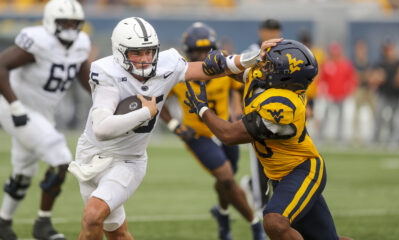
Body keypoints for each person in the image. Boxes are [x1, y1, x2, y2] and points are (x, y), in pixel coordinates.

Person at [67, 17, 281, 239]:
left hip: (128, 159)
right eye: (136, 53)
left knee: (93, 216)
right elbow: (101, 129)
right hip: (91, 156)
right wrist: (147, 113)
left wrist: (255, 57)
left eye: (149, 51)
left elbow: (216, 67)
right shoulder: (106, 71)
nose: (145, 59)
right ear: (120, 52)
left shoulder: (167, 64)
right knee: (117, 233)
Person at [185, 39, 352, 240]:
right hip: (281, 175)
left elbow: (228, 135)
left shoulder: (284, 106)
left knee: (274, 222)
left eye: (270, 65)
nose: (263, 68)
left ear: (284, 76)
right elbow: (237, 71)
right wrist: (222, 58)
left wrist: (203, 109)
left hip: (302, 171)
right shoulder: (271, 81)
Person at [160, 22, 265, 240]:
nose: (202, 55)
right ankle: (256, 225)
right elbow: (157, 102)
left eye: (206, 49)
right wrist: (174, 125)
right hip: (198, 134)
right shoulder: (178, 74)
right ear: (189, 52)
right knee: (226, 176)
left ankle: (223, 216)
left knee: (225, 182)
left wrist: (238, 111)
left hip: (225, 130)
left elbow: (238, 89)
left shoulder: (221, 67)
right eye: (197, 51)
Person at [0, 0, 91, 239]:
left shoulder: (81, 44)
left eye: (75, 23)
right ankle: (43, 224)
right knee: (60, 158)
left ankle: (3, 223)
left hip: (43, 113)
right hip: (17, 107)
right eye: (65, 22)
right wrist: (15, 105)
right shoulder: (38, 41)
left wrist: (106, 99)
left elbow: (87, 78)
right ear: (52, 22)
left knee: (24, 171)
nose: (70, 27)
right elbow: (1, 65)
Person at [241, 18, 282, 215]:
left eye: (275, 30)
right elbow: (244, 78)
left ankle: (253, 187)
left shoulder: (285, 51)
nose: (272, 34)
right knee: (259, 157)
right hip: (257, 109)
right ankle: (260, 204)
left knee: (278, 157)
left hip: (278, 111)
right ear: (261, 32)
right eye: (269, 30)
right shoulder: (252, 51)